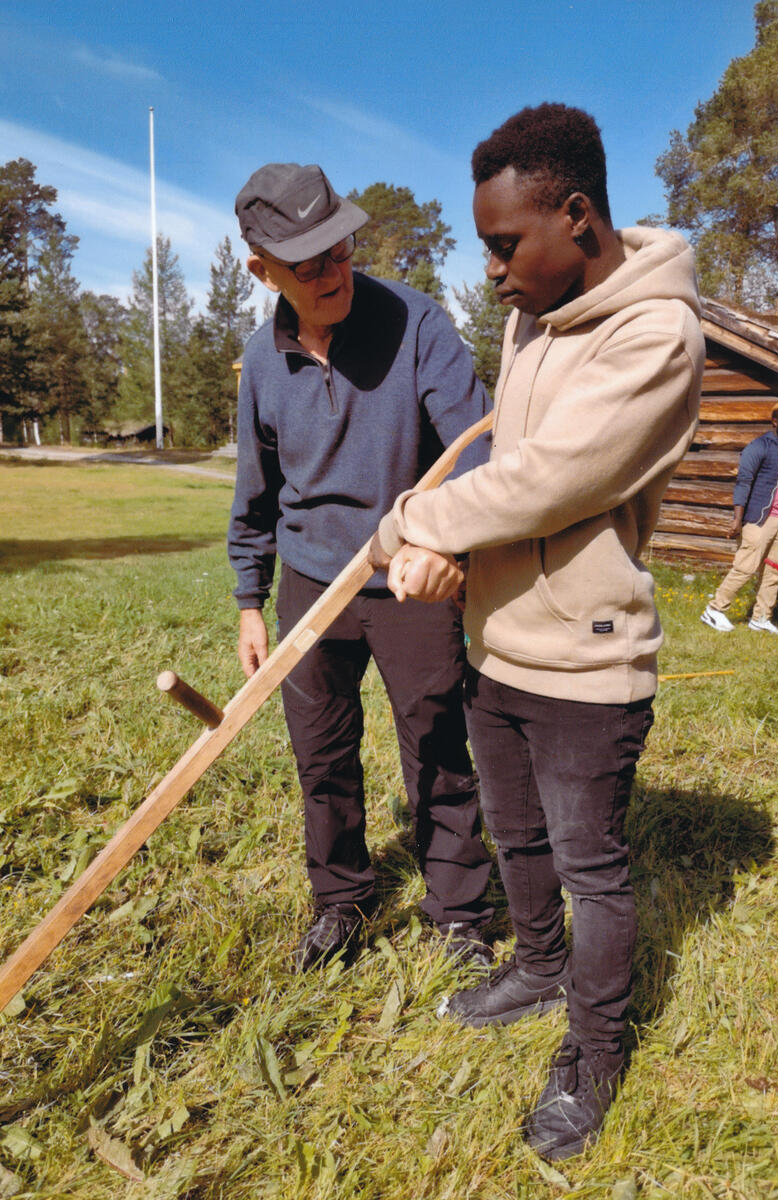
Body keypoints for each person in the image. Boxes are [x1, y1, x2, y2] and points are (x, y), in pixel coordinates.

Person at [370, 103, 705, 1162]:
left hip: (589, 660)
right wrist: (454, 552)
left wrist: (414, 525)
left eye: (508, 244)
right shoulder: (528, 320)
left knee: (590, 862)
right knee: (516, 834)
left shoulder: (658, 334)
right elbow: (500, 478)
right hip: (498, 642)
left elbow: (553, 481)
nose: (498, 272)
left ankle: (595, 1053)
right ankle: (538, 966)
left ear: (578, 215)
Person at [228, 161, 495, 973]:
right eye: (308, 262)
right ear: (260, 268)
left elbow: (478, 448)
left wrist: (440, 542)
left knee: (438, 746)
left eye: (340, 248)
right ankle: (340, 902)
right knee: (321, 754)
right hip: (311, 587)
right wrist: (250, 600)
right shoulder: (262, 359)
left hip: (408, 580)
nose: (333, 271)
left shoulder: (416, 325)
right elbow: (257, 489)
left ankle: (457, 914)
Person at [701, 402, 778, 634]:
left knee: (775, 571)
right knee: (745, 567)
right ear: (774, 422)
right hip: (759, 518)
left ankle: (761, 618)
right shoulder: (760, 446)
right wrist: (737, 520)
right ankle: (714, 610)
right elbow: (743, 482)